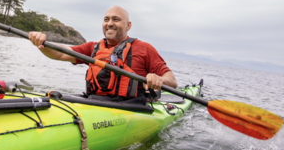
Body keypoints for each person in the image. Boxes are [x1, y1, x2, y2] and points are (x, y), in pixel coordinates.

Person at [28, 6, 177, 101]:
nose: (110, 23)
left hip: (132, 106)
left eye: (116, 19)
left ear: (128, 25)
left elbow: (172, 81)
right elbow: (60, 53)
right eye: (106, 19)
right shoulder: (93, 48)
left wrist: (159, 80)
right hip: (95, 101)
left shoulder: (144, 49)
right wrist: (42, 43)